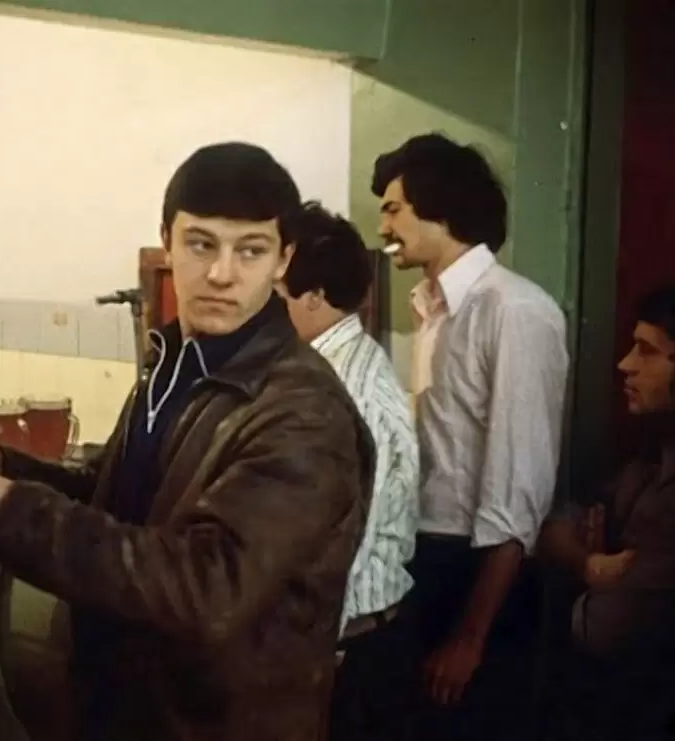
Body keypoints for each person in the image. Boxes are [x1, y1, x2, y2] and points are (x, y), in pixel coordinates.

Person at [0, 142, 375, 741]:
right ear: (166, 239)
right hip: (127, 706)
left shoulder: (305, 411)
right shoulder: (178, 359)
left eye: (251, 250)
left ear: (284, 259)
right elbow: (124, 497)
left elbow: (209, 586)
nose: (221, 273)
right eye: (201, 244)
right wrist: (6, 467)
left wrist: (10, 512)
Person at [371, 133, 569, 740]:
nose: (382, 225)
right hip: (430, 560)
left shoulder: (515, 310)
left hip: (481, 576)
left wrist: (470, 637)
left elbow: (517, 489)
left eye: (393, 208)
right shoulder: (433, 308)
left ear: (440, 207)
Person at [276, 201, 420, 741]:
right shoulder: (322, 367)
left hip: (349, 651)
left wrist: (317, 654)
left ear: (314, 297)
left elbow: (351, 536)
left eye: (276, 293)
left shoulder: (350, 389)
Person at [539, 286, 675, 740]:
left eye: (647, 351)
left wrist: (583, 581)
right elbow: (557, 524)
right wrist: (588, 563)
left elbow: (602, 626)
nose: (625, 364)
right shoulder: (648, 459)